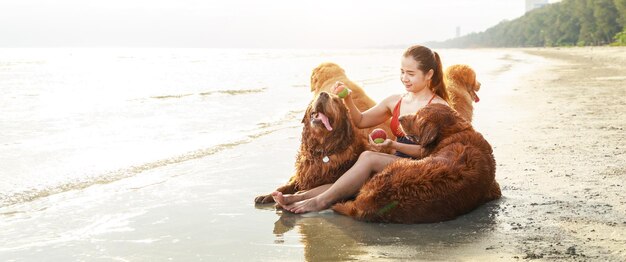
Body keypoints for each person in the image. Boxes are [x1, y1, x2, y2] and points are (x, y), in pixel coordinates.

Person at [273, 45, 451, 213]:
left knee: (368, 157)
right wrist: (348, 99)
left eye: (411, 74)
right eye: (402, 72)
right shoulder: (395, 100)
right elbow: (361, 120)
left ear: (429, 74)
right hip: (394, 162)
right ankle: (296, 197)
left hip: (423, 165)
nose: (404, 78)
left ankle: (319, 202)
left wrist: (394, 145)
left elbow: (436, 153)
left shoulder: (439, 107)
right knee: (348, 180)